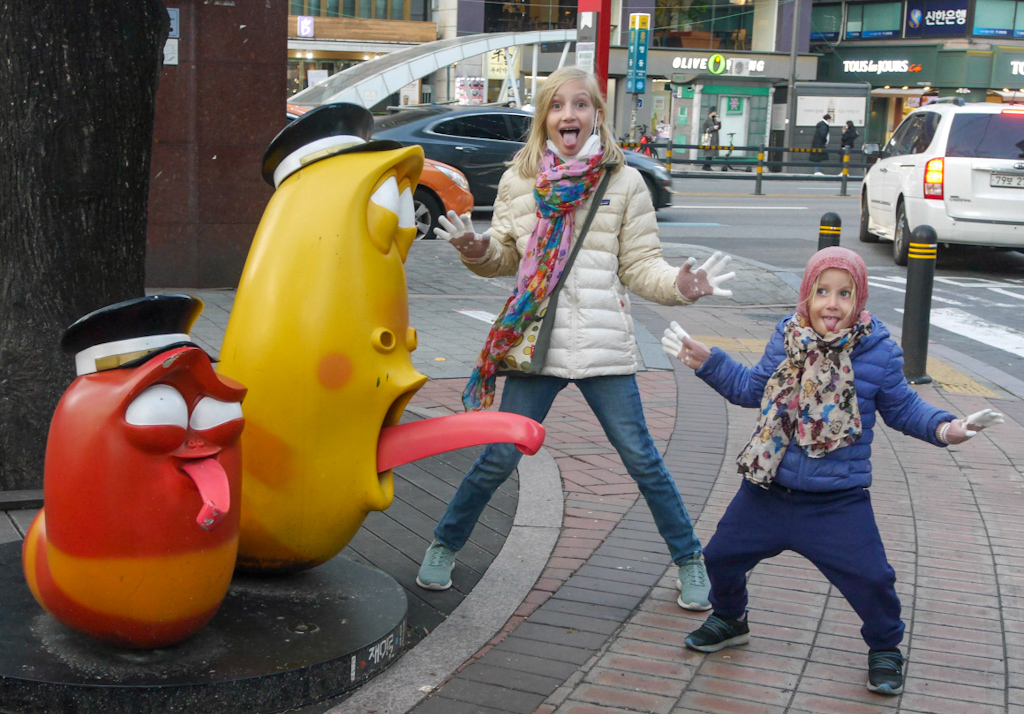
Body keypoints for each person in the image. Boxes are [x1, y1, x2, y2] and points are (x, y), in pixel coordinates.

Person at [417, 65, 737, 612]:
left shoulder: (623, 182)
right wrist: (474, 252)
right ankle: (444, 545)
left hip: (602, 347)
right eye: (559, 105)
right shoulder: (521, 180)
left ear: (596, 115)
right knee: (498, 456)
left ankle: (689, 561)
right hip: (533, 343)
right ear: (545, 115)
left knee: (642, 460)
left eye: (582, 104)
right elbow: (505, 258)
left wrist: (681, 286)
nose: (570, 114)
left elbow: (640, 267)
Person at [661, 246, 1004, 696]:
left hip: (837, 502)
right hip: (768, 491)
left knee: (873, 579)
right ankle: (730, 618)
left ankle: (885, 647)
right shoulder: (786, 337)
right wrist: (710, 363)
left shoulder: (878, 352)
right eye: (822, 291)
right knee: (721, 556)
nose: (832, 303)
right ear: (806, 296)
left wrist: (946, 428)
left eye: (845, 294)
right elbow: (751, 390)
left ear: (858, 301)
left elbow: (904, 408)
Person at [700, 107, 721, 171]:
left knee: (711, 153)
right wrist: (713, 128)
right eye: (714, 112)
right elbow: (705, 130)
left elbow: (719, 128)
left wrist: (719, 123)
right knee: (708, 153)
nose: (715, 114)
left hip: (714, 138)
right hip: (708, 138)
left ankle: (707, 165)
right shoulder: (706, 121)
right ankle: (706, 166)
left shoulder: (714, 120)